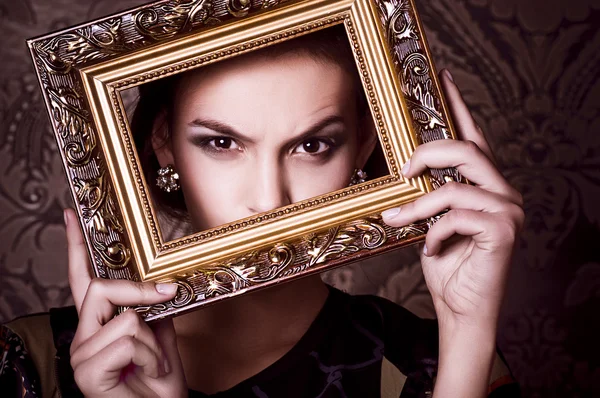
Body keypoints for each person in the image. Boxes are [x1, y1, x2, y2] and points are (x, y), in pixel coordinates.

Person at [0, 26, 524, 397]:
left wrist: (466, 332)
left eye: (313, 146)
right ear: (164, 143)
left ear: (364, 146)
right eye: (222, 143)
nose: (269, 201)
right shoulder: (33, 363)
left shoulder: (428, 362)